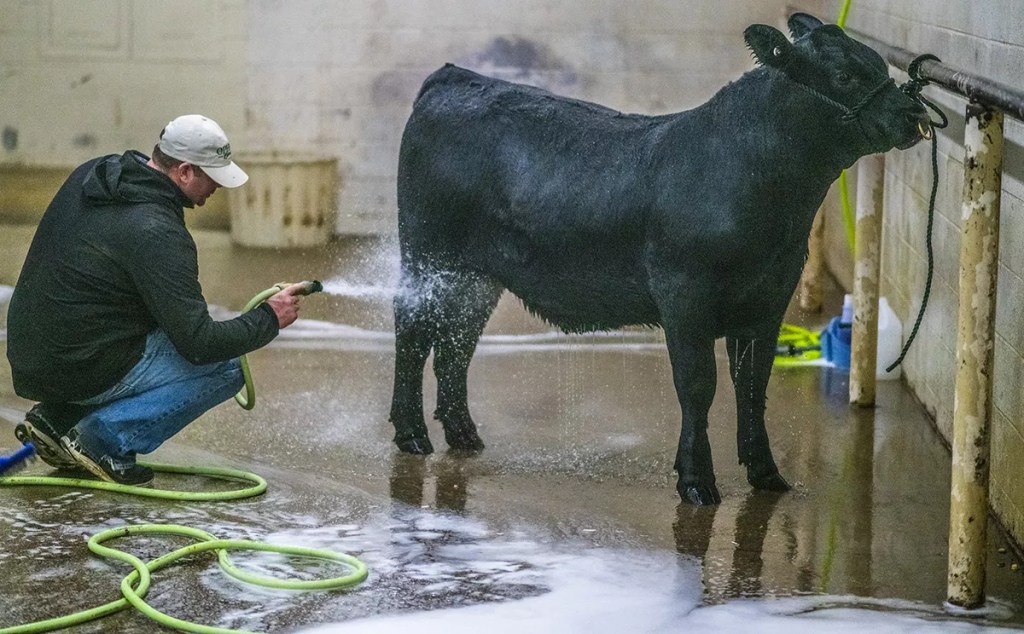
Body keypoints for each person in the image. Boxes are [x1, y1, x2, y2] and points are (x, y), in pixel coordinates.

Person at [6, 114, 308, 486]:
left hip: (32, 355)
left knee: (135, 327)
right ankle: (104, 441)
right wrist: (269, 319)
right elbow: (199, 344)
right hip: (78, 362)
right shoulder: (157, 230)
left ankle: (56, 418)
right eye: (212, 176)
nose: (217, 187)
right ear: (184, 171)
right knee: (226, 366)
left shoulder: (94, 173)